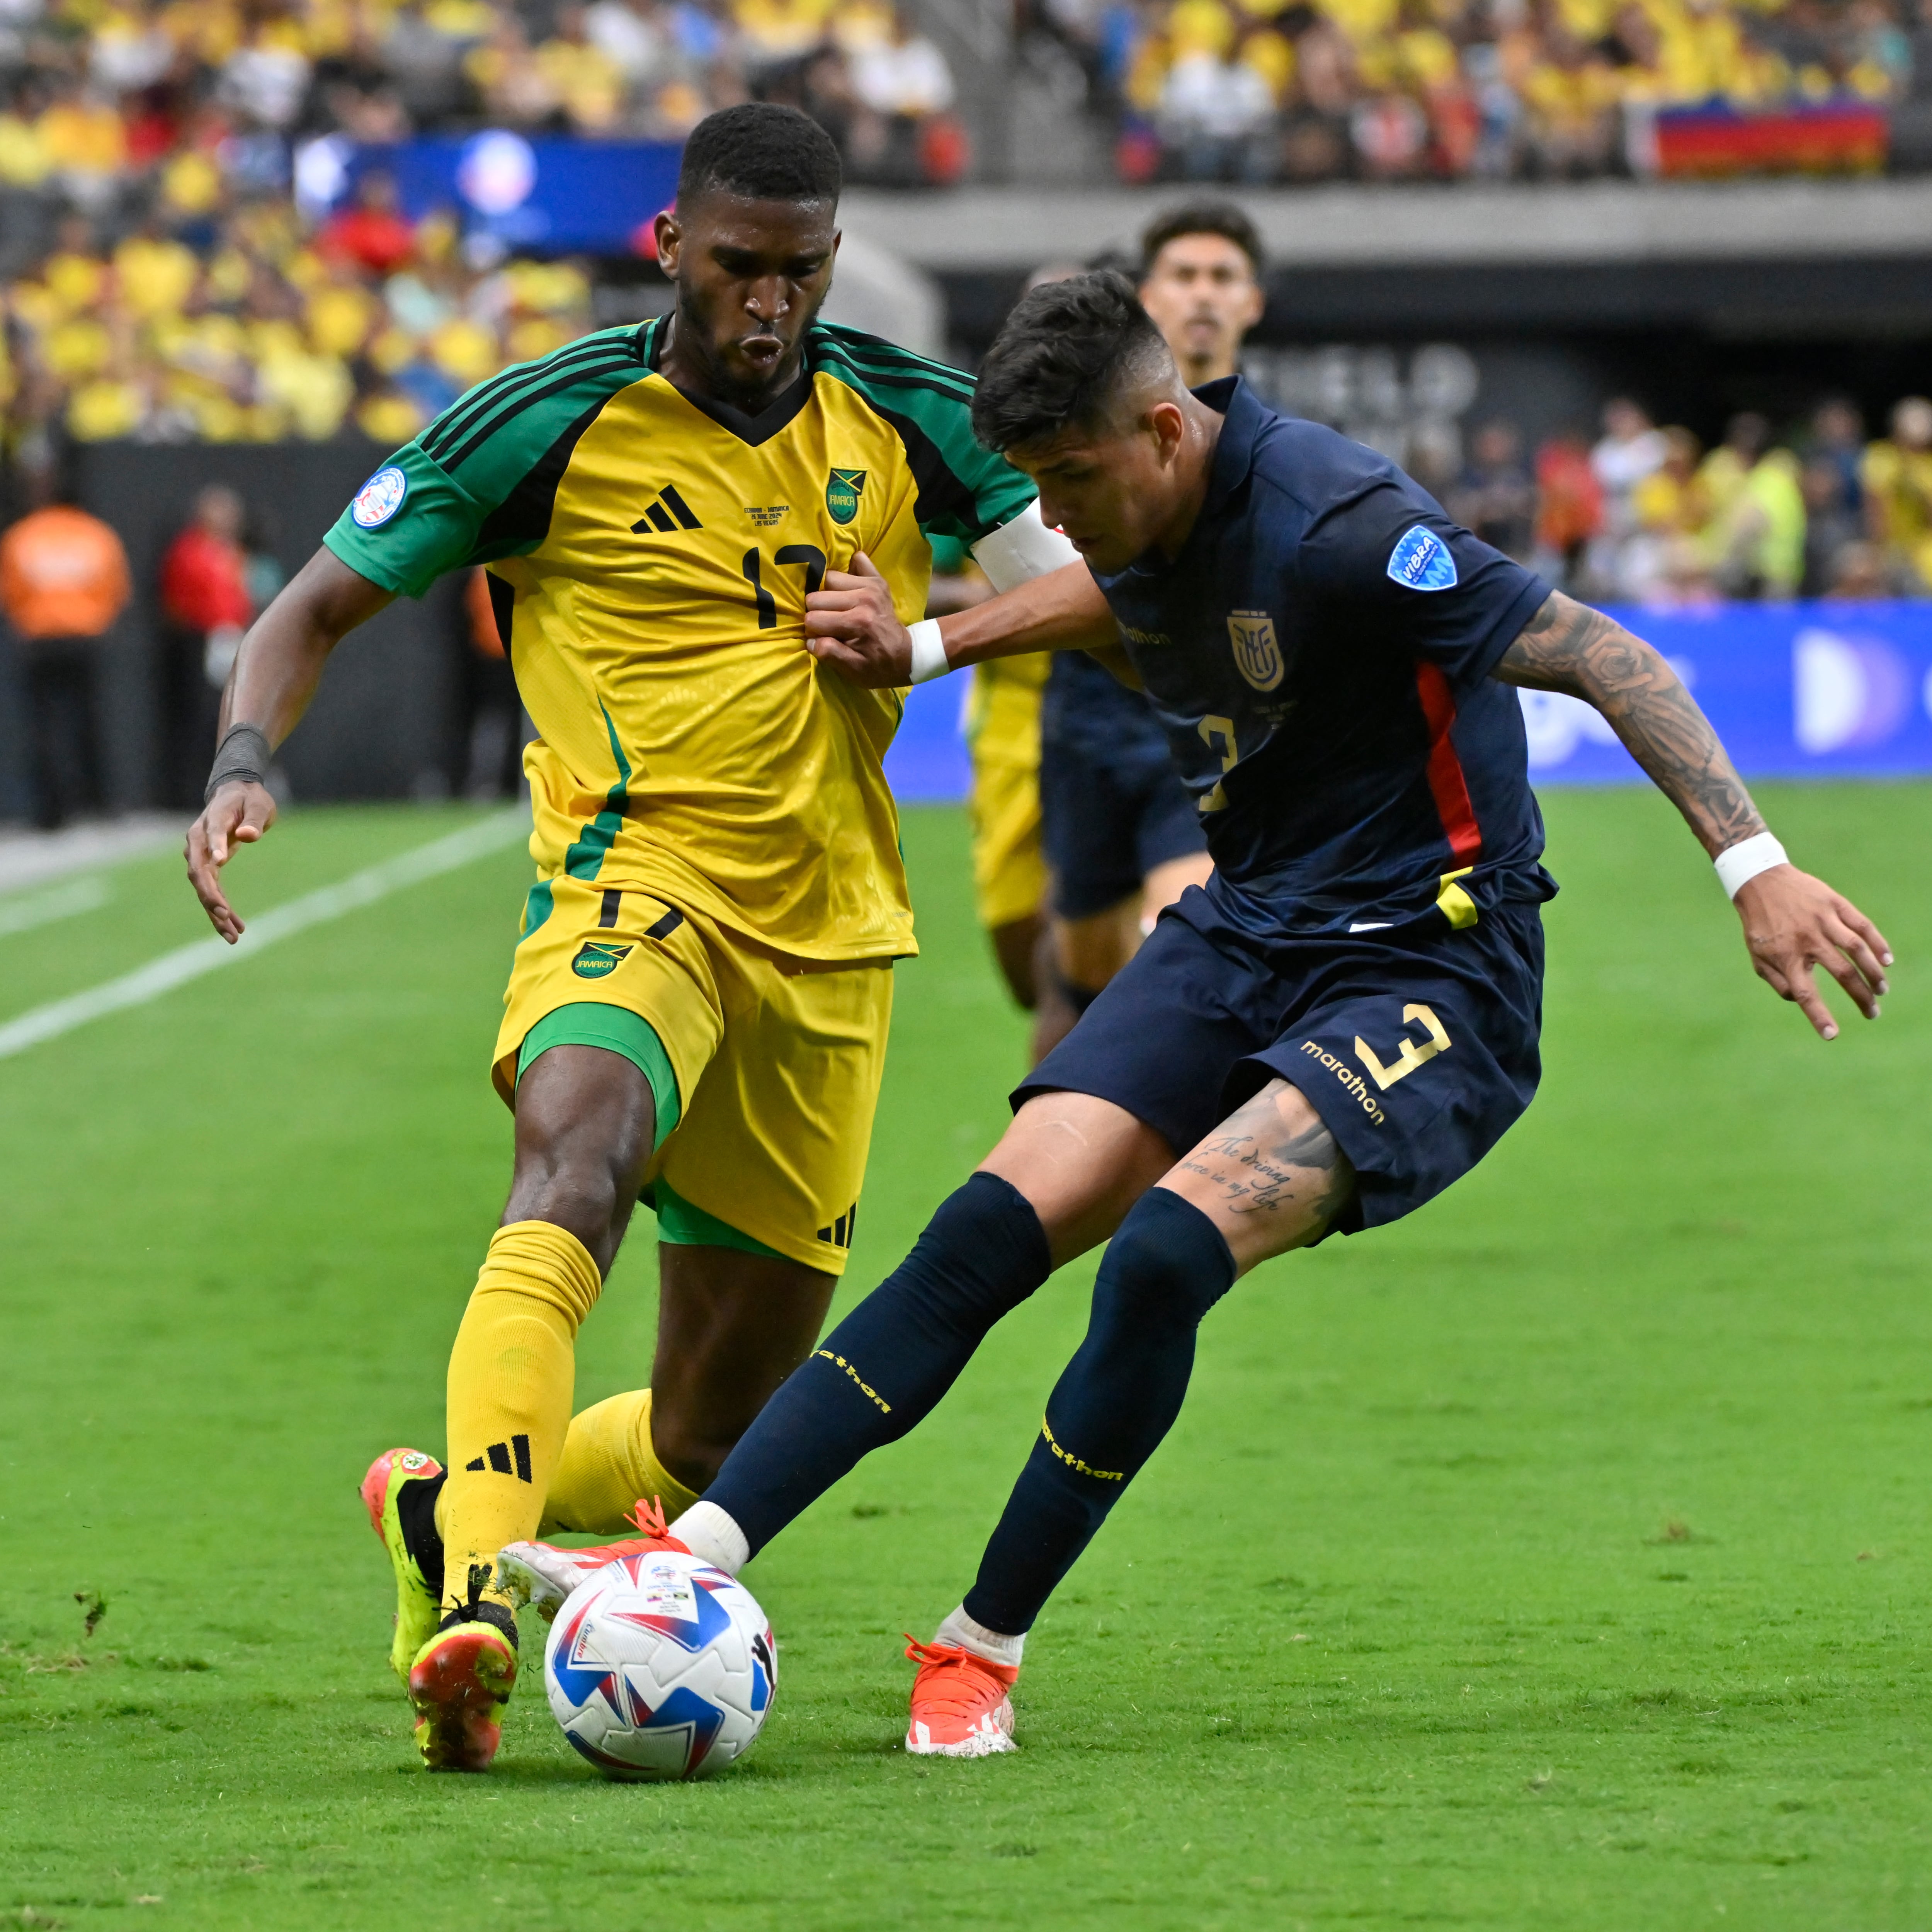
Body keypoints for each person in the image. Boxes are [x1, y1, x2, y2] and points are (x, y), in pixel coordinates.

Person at [502, 270, 1891, 1758]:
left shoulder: (1341, 526)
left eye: (1071, 482)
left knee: (1160, 1251)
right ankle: (690, 1556)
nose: (1052, 514)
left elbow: (1610, 658)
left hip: (1428, 962)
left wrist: (1756, 868)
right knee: (979, 1233)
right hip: (1242, 926)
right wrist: (927, 645)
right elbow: (1121, 581)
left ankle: (978, 1649)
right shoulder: (1147, 503)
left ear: (1164, 429)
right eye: (1031, 484)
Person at [182, 103, 1073, 1773]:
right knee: (573, 1155)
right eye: (739, 266)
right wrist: (245, 759)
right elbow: (310, 606)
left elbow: (1092, 583)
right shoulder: (548, 417)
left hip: (829, 937)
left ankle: (447, 1496)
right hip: (627, 884)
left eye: (799, 273)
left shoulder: (914, 417)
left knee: (708, 1429)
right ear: (669, 245)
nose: (768, 304)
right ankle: (468, 1594)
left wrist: (933, 633)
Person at [1033, 202, 1266, 1057]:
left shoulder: (1271, 450)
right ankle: (1064, 1159)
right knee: (1075, 970)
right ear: (1145, 296)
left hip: (1203, 735)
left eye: (1223, 278)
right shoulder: (1074, 431)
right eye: (1184, 276)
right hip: (1085, 730)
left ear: (1253, 303)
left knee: (1178, 940)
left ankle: (1177, 1170)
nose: (1202, 296)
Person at [0, 485, 131, 830]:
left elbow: (10, 593)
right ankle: (102, 803)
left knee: (45, 724)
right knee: (91, 720)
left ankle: (53, 810)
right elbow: (116, 591)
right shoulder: (96, 535)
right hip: (86, 637)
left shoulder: (22, 535)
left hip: (41, 639)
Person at [157, 484, 253, 811]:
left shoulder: (233, 552)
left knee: (230, 714)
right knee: (200, 717)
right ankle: (192, 792)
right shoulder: (190, 551)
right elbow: (178, 602)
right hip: (200, 641)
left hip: (231, 638)